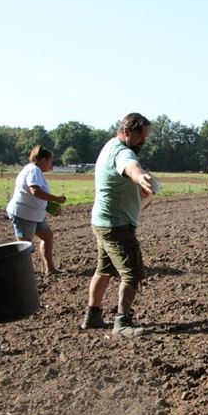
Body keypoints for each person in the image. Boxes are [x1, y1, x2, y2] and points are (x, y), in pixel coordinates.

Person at [80, 113, 155, 337]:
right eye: (140, 136)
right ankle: (122, 323)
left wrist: (141, 191)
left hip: (104, 222)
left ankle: (92, 317)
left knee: (104, 270)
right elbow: (130, 167)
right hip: (116, 225)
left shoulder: (110, 146)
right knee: (132, 273)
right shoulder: (123, 152)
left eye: (146, 137)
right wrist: (141, 177)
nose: (143, 141)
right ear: (126, 131)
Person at [6, 145, 67, 275]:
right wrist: (56, 199)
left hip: (33, 214)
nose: (51, 165)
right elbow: (35, 191)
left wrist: (51, 207)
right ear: (43, 160)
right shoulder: (34, 170)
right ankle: (23, 275)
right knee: (24, 246)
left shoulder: (32, 170)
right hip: (24, 214)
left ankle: (50, 269)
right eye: (50, 161)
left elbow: (35, 195)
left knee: (47, 236)